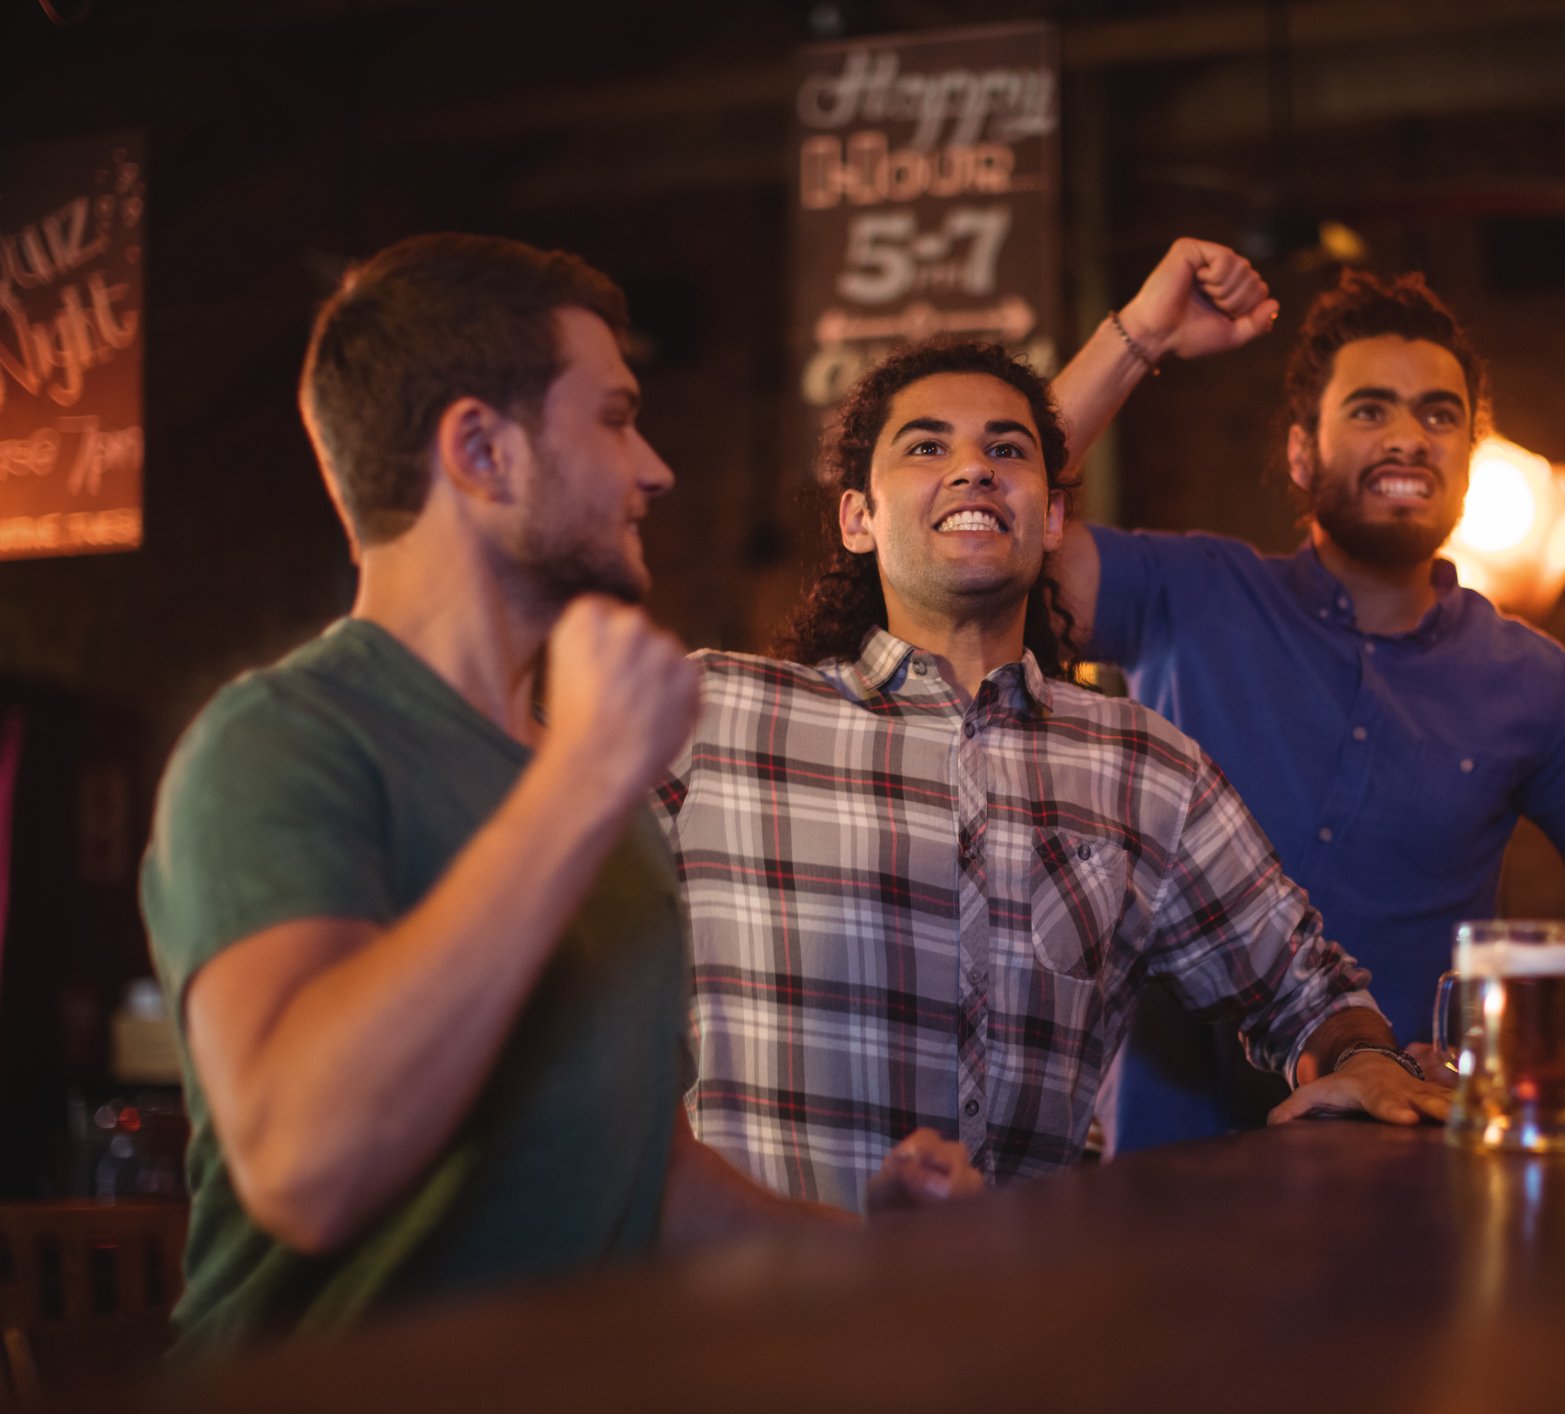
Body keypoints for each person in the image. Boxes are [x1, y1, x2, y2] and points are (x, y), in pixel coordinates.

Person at [139, 233, 972, 1352]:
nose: (657, 468)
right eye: (616, 417)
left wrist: (867, 1248)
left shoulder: (588, 783)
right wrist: (580, 783)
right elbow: (304, 1165)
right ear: (483, 451)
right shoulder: (284, 740)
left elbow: (647, 1180)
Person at [660, 338, 1450, 1214]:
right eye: (926, 446)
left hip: (1028, 1312)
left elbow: (1308, 991)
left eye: (1007, 450)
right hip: (756, 1320)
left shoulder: (1147, 767)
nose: (972, 470)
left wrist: (1365, 1061)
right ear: (857, 519)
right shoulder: (711, 714)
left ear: (1052, 519)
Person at [1046, 241, 1565, 1149]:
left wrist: (1492, 1024)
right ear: (1301, 453)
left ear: (1469, 457)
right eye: (1369, 410)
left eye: (1439, 415)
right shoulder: (1189, 594)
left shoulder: (1536, 681)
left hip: (1407, 1164)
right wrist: (1142, 333)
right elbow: (1009, 508)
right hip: (1164, 1162)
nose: (1405, 437)